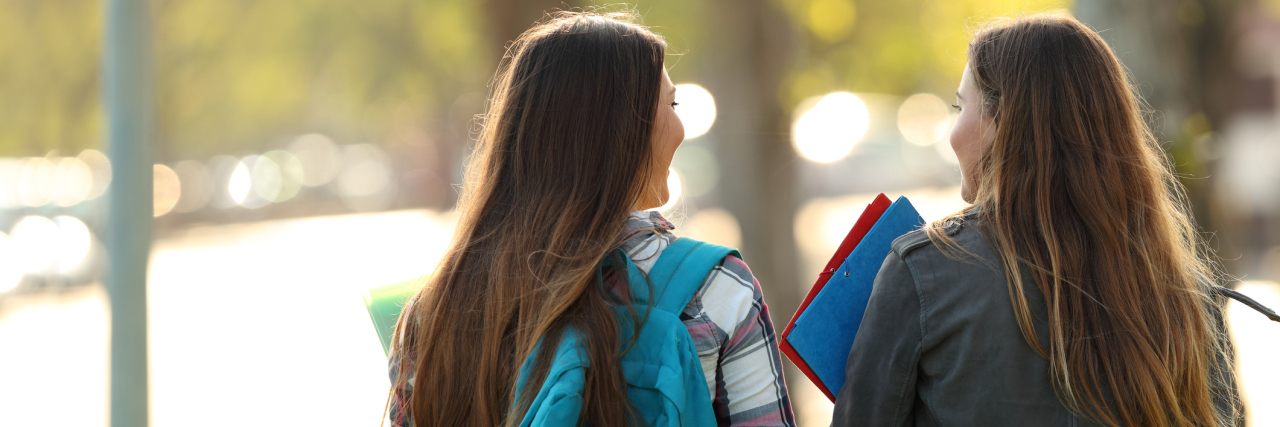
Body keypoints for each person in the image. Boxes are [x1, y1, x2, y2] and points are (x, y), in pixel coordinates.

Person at [386, 11, 795, 427]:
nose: (681, 127)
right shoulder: (716, 290)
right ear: (619, 131)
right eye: (671, 104)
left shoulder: (435, 314)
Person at [832, 13, 1242, 427]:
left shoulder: (924, 274)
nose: (952, 132)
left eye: (960, 107)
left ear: (1002, 124)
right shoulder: (1186, 294)